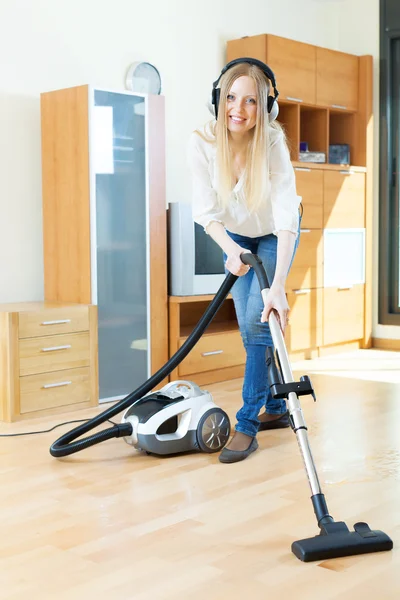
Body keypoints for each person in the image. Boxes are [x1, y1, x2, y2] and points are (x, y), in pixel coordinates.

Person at [187, 58, 302, 463]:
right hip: (235, 235)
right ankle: (276, 406)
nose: (238, 109)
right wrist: (232, 250)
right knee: (249, 325)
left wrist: (279, 285)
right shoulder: (202, 142)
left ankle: (247, 424)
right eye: (231, 97)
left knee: (259, 321)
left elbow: (287, 216)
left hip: (274, 232)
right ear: (218, 99)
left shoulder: (271, 143)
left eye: (251, 100)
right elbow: (206, 213)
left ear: (266, 107)